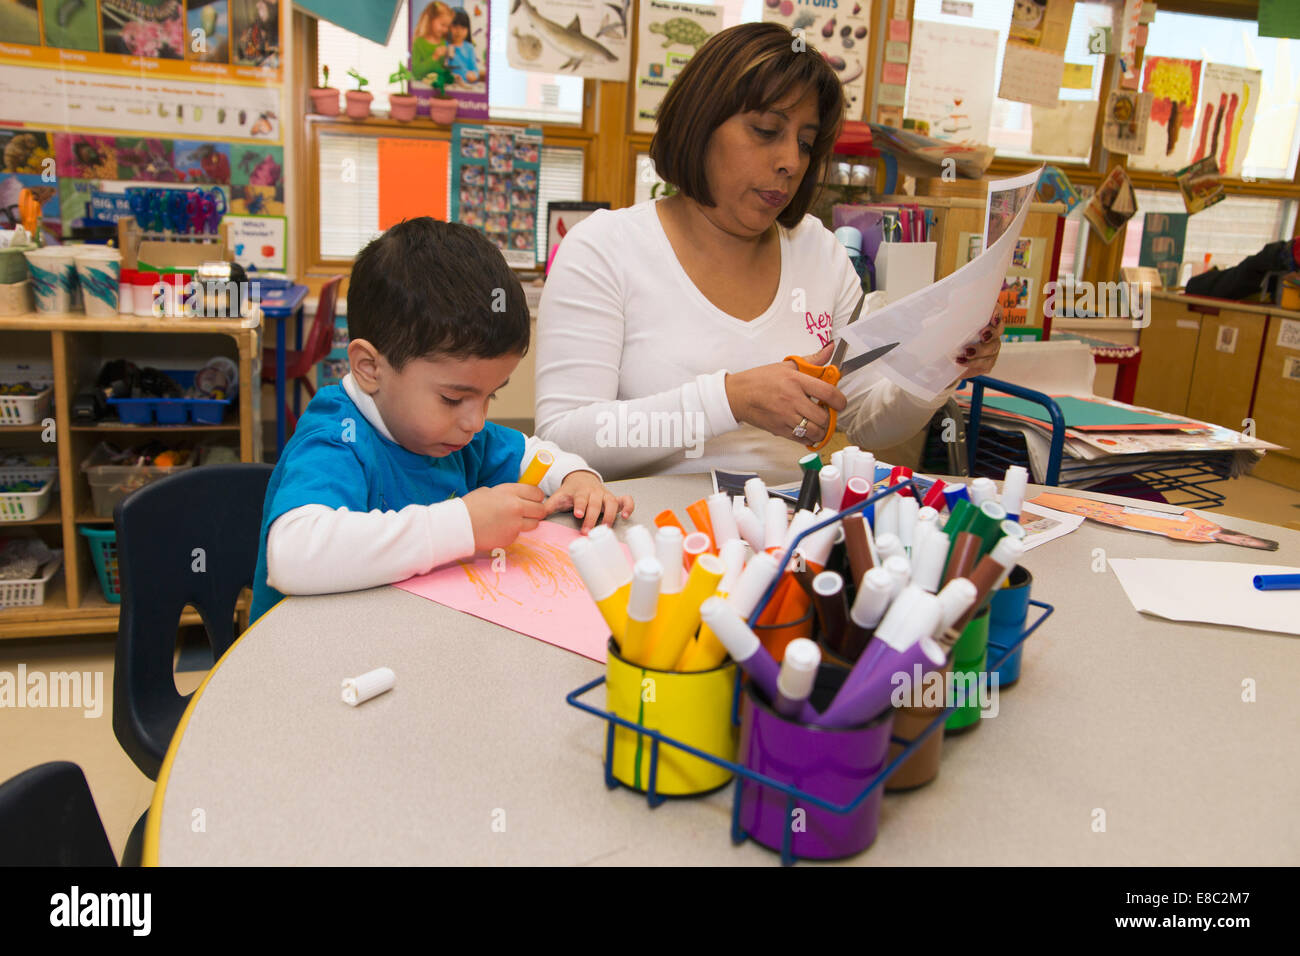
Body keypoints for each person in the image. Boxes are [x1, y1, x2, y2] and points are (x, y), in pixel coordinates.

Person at [534, 22, 1001, 483]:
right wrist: (730, 400)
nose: (791, 162)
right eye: (765, 130)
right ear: (698, 124)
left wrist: (939, 365)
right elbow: (564, 442)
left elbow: (861, 421)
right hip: (651, 539)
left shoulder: (820, 253)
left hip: (791, 532)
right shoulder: (604, 248)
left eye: (805, 143)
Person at [249, 218, 634, 622]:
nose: (475, 422)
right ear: (369, 367)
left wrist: (579, 480)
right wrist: (464, 524)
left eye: (491, 395)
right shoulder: (335, 439)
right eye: (453, 398)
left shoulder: (453, 435)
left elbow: (534, 452)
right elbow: (293, 554)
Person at [447, 9, 480, 84]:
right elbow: (441, 68)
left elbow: (475, 70)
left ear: (468, 30)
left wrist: (474, 75)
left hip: (466, 86)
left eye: (463, 28)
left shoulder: (469, 48)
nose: (459, 31)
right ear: (448, 27)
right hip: (449, 86)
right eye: (455, 27)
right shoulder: (445, 45)